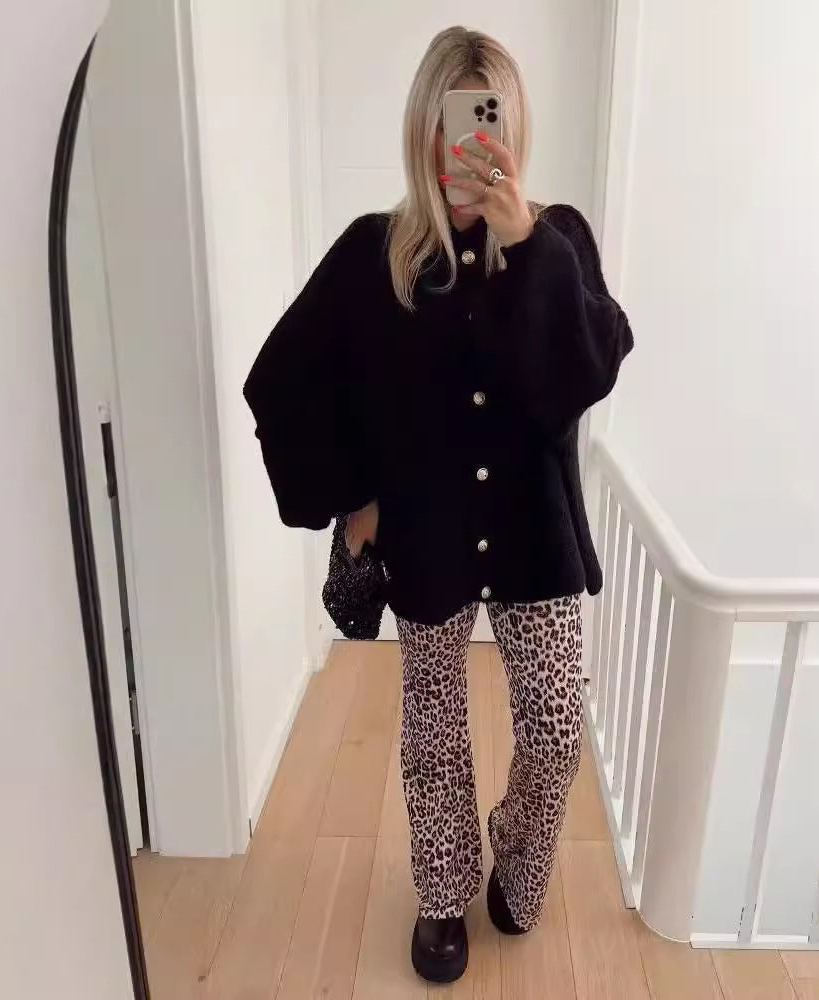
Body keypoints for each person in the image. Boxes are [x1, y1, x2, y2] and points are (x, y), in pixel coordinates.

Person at [243, 26, 633, 985]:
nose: (466, 144)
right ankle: (443, 893)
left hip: (534, 529)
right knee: (433, 731)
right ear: (424, 128)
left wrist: (523, 243)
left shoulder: (557, 240)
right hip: (426, 531)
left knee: (554, 723)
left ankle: (519, 860)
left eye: (485, 120)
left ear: (512, 129)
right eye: (450, 122)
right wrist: (354, 499)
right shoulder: (374, 254)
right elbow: (284, 379)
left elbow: (586, 371)